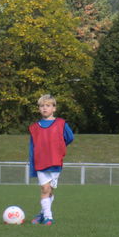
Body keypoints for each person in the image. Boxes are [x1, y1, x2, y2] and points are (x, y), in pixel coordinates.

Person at [28, 94, 74, 226]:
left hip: (55, 162)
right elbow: (32, 148)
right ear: (39, 108)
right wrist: (32, 165)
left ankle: (42, 214)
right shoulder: (34, 127)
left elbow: (70, 138)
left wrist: (58, 148)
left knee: (50, 190)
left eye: (48, 105)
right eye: (42, 106)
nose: (44, 108)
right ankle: (48, 217)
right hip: (40, 162)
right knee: (45, 188)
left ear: (54, 108)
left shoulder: (61, 123)